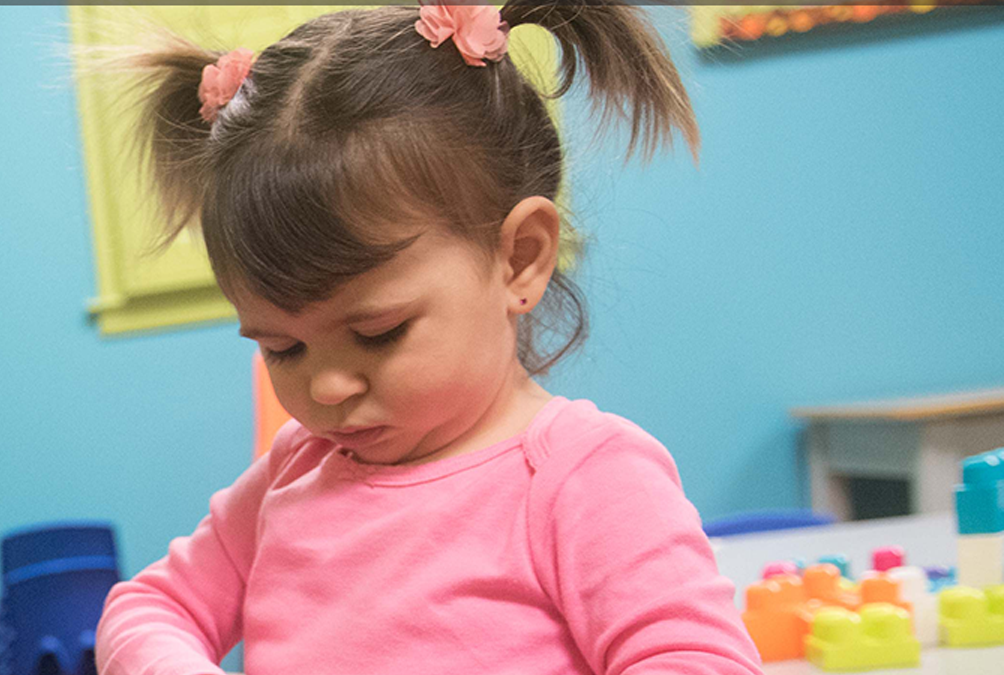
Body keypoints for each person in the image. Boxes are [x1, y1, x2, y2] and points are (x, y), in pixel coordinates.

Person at [92, 2, 763, 673]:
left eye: (378, 332)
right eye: (283, 348)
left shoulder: (583, 478)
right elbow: (150, 607)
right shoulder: (295, 468)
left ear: (520, 258)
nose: (327, 387)